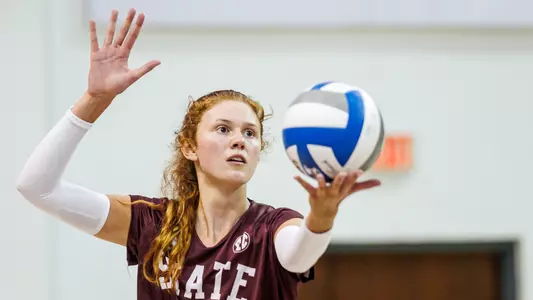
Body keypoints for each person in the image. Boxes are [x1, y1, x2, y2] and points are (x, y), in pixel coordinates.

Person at [15, 8, 381, 300]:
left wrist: (321, 217)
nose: (239, 140)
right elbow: (37, 187)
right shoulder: (152, 224)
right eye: (223, 129)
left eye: (250, 133)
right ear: (189, 147)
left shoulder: (272, 227)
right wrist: (95, 100)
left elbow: (299, 254)